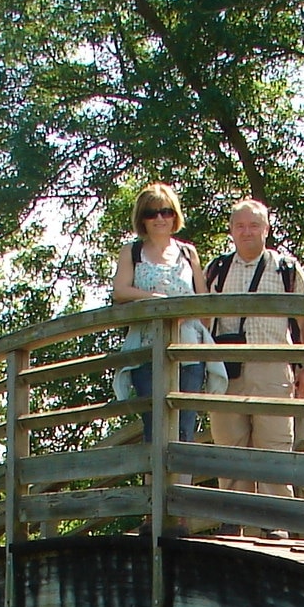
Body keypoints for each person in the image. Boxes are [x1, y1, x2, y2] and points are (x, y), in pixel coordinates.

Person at [204, 198, 304, 501]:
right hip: (226, 369)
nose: (247, 232)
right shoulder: (217, 269)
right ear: (230, 230)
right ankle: (233, 522)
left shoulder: (286, 269)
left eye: (254, 225)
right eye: (240, 226)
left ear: (266, 229)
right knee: (229, 449)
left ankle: (277, 524)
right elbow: (202, 321)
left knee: (276, 448)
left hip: (273, 366)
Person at [111, 182, 222, 445]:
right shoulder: (132, 251)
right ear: (142, 220)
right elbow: (120, 291)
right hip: (148, 347)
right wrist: (157, 303)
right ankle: (156, 486)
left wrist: (191, 323)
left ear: (174, 215)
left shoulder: (187, 252)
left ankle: (181, 485)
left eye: (165, 211)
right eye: (151, 213)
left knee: (185, 428)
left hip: (188, 348)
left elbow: (202, 300)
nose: (159, 218)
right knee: (155, 427)